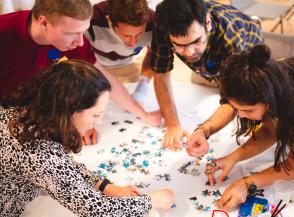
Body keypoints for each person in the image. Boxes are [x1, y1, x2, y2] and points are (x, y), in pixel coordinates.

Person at [0, 59, 174, 217]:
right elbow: (98, 210)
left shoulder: (26, 111)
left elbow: (63, 166)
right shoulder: (40, 153)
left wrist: (104, 185)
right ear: (70, 109)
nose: (97, 122)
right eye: (95, 115)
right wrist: (154, 200)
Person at [0, 0, 161, 130]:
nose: (80, 42)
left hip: (32, 111)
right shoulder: (4, 32)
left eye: (82, 32)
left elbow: (101, 75)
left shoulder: (74, 43)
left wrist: (144, 115)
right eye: (72, 34)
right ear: (44, 23)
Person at [203, 44, 294, 210]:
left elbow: (293, 167)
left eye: (247, 110)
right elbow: (270, 131)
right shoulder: (269, 73)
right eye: (236, 108)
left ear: (269, 98)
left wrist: (246, 184)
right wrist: (233, 157)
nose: (240, 115)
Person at [150, 0, 264, 150]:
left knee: (246, 114)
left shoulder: (230, 37)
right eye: (179, 45)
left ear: (208, 22)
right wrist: (172, 125)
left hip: (247, 69)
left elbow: (233, 99)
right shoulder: (164, 25)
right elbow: (161, 73)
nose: (189, 53)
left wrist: (203, 131)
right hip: (207, 67)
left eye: (196, 41)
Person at [86, 0, 155, 105]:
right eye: (127, 35)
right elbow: (79, 55)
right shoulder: (91, 20)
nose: (133, 44)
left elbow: (152, 54)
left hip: (130, 65)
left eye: (139, 34)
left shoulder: (154, 23)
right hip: (95, 66)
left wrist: (142, 86)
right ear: (109, 22)